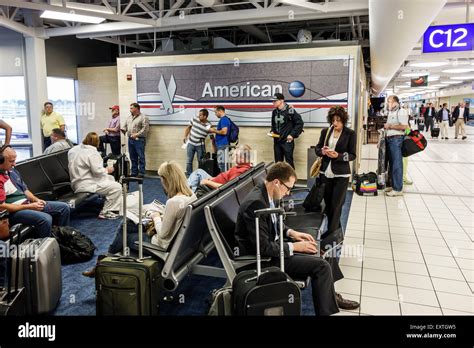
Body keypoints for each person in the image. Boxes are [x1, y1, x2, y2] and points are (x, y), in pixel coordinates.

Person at [235, 162, 359, 315]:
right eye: (288, 188)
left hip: (275, 246)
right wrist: (295, 247)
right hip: (264, 259)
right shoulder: (256, 203)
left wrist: (292, 233)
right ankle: (326, 310)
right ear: (276, 182)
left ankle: (331, 296)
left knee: (322, 249)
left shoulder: (267, 193)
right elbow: (263, 247)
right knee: (321, 266)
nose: (288, 193)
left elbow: (273, 223)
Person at [82, 161, 196, 277]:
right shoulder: (191, 195)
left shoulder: (173, 202)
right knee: (126, 224)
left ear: (167, 180)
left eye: (161, 179)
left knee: (124, 235)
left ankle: (103, 263)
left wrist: (156, 217)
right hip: (180, 243)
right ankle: (105, 262)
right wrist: (162, 216)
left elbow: (163, 234)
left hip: (162, 246)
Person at [0, 146, 70, 238]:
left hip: (27, 204)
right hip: (13, 212)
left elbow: (25, 190)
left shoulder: (13, 171)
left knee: (64, 208)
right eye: (11, 161)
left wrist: (36, 200)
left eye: (14, 160)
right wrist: (29, 206)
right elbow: (1, 207)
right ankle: (44, 248)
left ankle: (62, 240)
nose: (14, 164)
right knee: (45, 219)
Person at [315, 106, 356, 238]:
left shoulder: (350, 133)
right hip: (325, 172)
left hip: (341, 174)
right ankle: (337, 232)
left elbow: (352, 155)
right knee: (328, 204)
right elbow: (317, 148)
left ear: (343, 120)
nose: (335, 123)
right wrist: (322, 151)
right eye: (333, 120)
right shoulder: (325, 132)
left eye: (338, 120)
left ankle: (331, 233)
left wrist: (337, 155)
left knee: (337, 204)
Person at [68, 132, 122, 220]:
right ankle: (106, 212)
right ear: (97, 143)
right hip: (86, 184)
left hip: (76, 182)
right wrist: (108, 170)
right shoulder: (92, 153)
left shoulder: (73, 150)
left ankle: (109, 202)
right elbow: (97, 171)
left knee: (110, 179)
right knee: (117, 187)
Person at [187, 144, 252, 192]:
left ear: (242, 158)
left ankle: (189, 194)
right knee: (199, 172)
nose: (233, 157)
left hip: (213, 187)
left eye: (236, 155)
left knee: (197, 175)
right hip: (214, 180)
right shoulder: (245, 166)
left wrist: (207, 182)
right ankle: (188, 190)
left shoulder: (239, 172)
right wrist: (213, 178)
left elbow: (227, 187)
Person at [270, 93, 304, 169]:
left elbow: (299, 123)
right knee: (278, 164)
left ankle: (292, 180)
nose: (273, 103)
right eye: (272, 101)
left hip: (287, 142)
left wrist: (292, 134)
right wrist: (272, 131)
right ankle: (279, 180)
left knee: (289, 163)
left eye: (275, 101)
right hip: (277, 141)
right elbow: (273, 124)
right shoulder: (274, 112)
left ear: (282, 100)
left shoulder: (290, 110)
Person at [383, 95, 409, 197]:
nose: (388, 103)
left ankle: (398, 189)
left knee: (397, 164)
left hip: (396, 139)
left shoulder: (401, 112)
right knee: (392, 164)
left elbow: (404, 126)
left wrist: (390, 126)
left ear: (396, 102)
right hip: (390, 139)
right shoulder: (391, 112)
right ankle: (393, 185)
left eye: (390, 101)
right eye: (388, 101)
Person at [121, 103, 150, 178]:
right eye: (130, 108)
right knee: (132, 156)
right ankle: (134, 172)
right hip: (130, 140)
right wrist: (122, 130)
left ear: (137, 109)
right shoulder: (129, 117)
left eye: (131, 108)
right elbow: (125, 127)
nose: (130, 109)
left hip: (139, 140)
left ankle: (141, 172)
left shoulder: (143, 117)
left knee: (141, 156)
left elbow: (145, 129)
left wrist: (136, 134)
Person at [183, 109, 211, 176]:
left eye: (200, 115)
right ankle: (189, 176)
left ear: (205, 116)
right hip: (191, 143)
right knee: (189, 161)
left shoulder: (209, 125)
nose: (199, 116)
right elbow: (188, 128)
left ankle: (199, 176)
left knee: (201, 162)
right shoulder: (194, 119)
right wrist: (185, 136)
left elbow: (211, 135)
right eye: (199, 114)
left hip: (200, 145)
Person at [208, 106, 230, 173]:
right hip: (221, 145)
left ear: (220, 111)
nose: (215, 114)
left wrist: (214, 130)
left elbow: (224, 132)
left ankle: (225, 181)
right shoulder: (223, 120)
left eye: (216, 112)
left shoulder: (224, 119)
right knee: (221, 164)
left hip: (222, 145)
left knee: (222, 165)